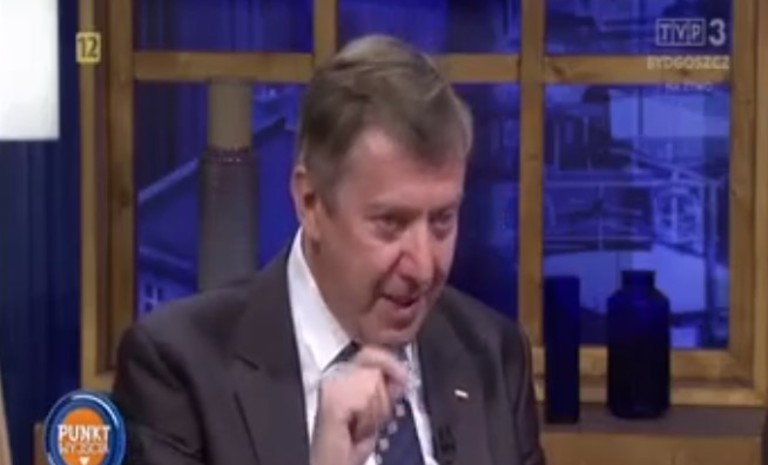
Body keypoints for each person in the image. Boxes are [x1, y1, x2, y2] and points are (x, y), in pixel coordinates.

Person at [112, 34, 546, 465]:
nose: (423, 266)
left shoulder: (493, 356)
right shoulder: (178, 371)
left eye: (442, 220)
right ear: (311, 203)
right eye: (391, 223)